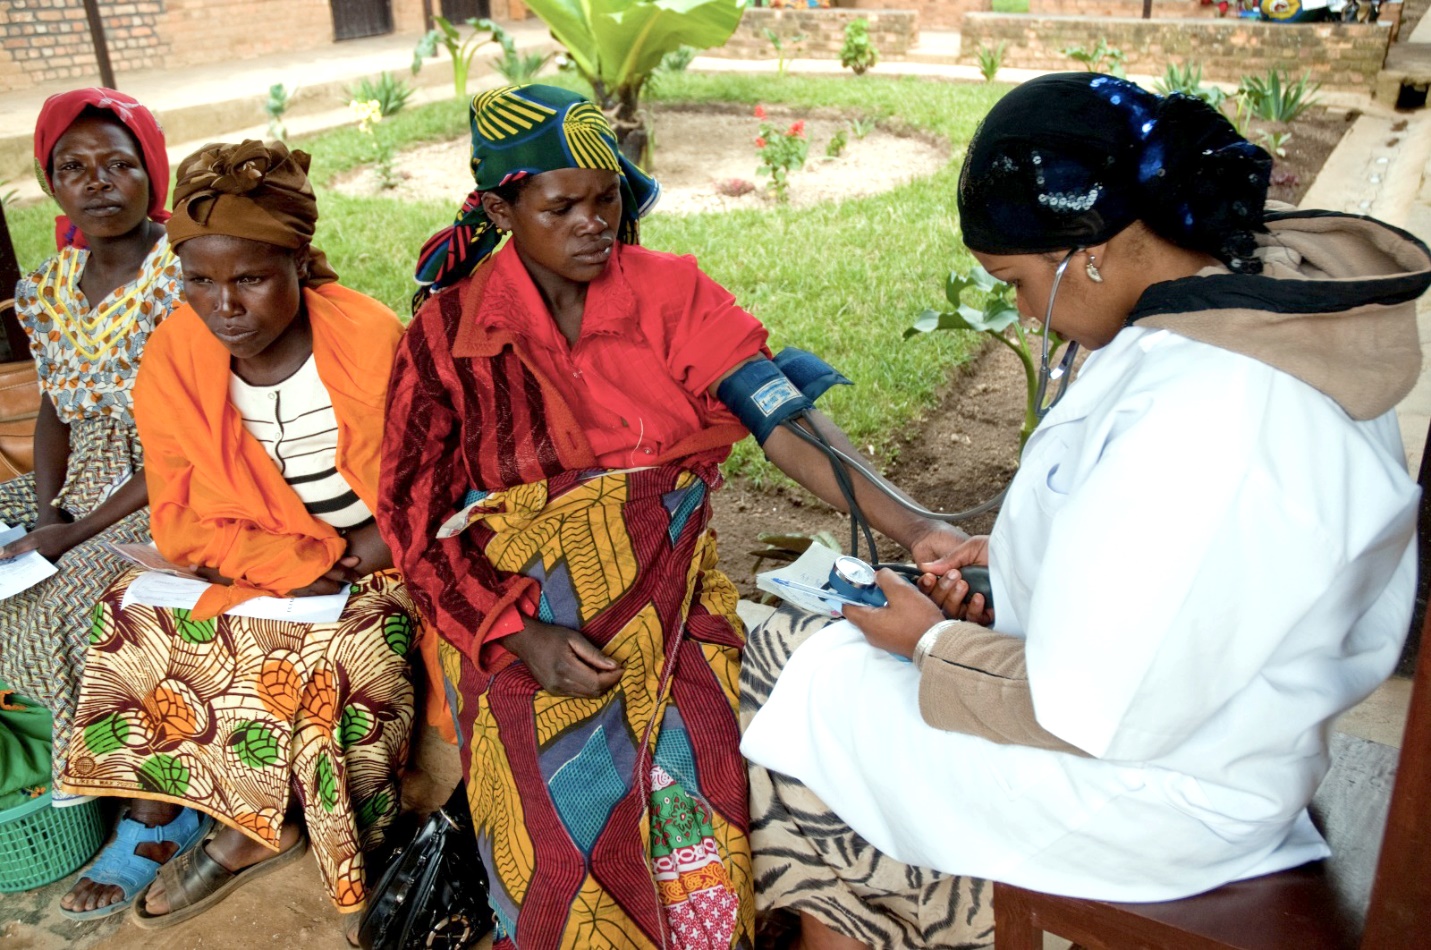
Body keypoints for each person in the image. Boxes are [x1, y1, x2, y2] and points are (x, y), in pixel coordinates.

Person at [740, 72, 1428, 949]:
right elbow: (1165, 571)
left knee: (788, 679)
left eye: (1019, 281)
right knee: (812, 661)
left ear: (1091, 249)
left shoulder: (1220, 411)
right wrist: (1030, 558)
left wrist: (926, 639)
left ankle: (879, 925)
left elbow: (1096, 709)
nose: (1028, 312)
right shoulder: (1227, 314)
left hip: (1157, 794)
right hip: (1211, 734)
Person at [378, 83, 962, 950]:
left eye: (607, 195)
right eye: (561, 205)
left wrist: (918, 530)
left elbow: (783, 419)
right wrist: (514, 638)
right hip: (518, 614)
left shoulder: (667, 294)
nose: (593, 223)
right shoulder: (447, 338)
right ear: (502, 207)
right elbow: (412, 517)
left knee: (696, 765)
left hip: (670, 591)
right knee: (542, 802)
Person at [59, 140, 418, 929]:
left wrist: (368, 552)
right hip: (260, 550)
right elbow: (177, 514)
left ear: (299, 263)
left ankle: (269, 834)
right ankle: (175, 812)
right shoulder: (175, 354)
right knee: (129, 620)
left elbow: (427, 479)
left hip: (377, 551)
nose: (225, 305)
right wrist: (285, 562)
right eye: (199, 280)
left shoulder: (369, 338)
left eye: (251, 278)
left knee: (346, 661)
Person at [0, 88, 208, 921]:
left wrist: (71, 532)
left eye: (120, 163)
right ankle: (68, 770)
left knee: (60, 601)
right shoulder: (48, 284)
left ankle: (161, 811)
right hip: (82, 478)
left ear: (150, 169)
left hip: (170, 477)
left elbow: (188, 435)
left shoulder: (188, 268)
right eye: (74, 167)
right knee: (20, 555)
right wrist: (43, 508)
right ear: (50, 184)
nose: (99, 182)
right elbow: (54, 405)